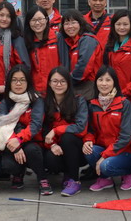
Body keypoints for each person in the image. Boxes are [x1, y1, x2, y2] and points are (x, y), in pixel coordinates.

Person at [0, 64, 51, 194]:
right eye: (14, 80)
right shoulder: (6, 102)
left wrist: (19, 139)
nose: (18, 83)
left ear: (28, 82)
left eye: (22, 80)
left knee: (31, 150)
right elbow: (1, 126)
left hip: (32, 140)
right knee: (8, 165)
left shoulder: (36, 100)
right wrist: (16, 145)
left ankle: (42, 178)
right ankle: (18, 174)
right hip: (11, 141)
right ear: (9, 82)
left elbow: (35, 125)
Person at [82, 65, 131, 192]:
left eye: (108, 80)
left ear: (114, 83)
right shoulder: (93, 104)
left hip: (124, 151)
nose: (104, 84)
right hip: (105, 149)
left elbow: (126, 137)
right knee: (89, 150)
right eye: (100, 80)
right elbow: (90, 130)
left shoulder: (124, 104)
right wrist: (88, 140)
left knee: (106, 165)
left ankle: (129, 171)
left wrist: (104, 156)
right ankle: (105, 179)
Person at [43, 66, 89, 196]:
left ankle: (74, 180)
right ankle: (66, 174)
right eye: (55, 81)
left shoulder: (78, 100)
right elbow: (43, 129)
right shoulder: (45, 102)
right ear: (49, 83)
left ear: (68, 83)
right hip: (56, 146)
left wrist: (57, 130)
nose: (59, 85)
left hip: (77, 148)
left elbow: (81, 127)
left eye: (62, 81)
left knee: (67, 137)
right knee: (50, 159)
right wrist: (52, 145)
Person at [0, 1, 30, 96]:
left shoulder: (16, 39)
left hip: (11, 91)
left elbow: (24, 68)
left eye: (8, 16)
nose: (4, 19)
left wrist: (7, 86)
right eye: (1, 15)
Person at [57, 9, 103, 100]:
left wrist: (68, 82)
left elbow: (84, 66)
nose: (70, 26)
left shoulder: (88, 40)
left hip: (87, 87)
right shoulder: (70, 42)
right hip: (76, 86)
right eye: (66, 23)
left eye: (73, 23)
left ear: (80, 23)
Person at [103, 9, 131, 100]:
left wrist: (124, 92)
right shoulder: (109, 45)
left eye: (125, 24)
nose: (121, 27)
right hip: (111, 95)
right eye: (118, 24)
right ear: (113, 25)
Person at [23, 5, 61, 95]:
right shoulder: (26, 42)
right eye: (33, 20)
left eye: (40, 19)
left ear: (47, 20)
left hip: (56, 89)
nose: (37, 23)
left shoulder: (57, 38)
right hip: (36, 91)